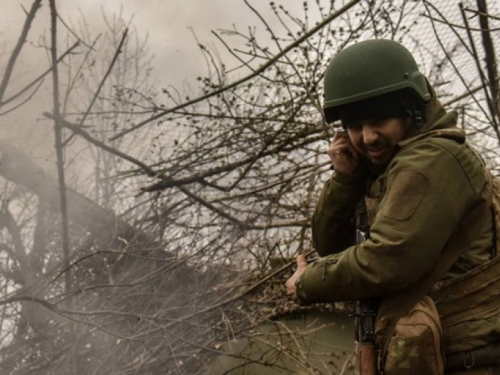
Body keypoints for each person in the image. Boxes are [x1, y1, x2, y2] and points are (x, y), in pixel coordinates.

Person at [285, 39, 500, 374]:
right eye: (355, 126)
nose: (368, 137)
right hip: (437, 354)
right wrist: (346, 181)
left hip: (467, 357)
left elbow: (388, 260)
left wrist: (307, 281)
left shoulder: (432, 160)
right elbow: (333, 249)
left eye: (378, 121)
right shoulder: (387, 169)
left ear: (410, 110)